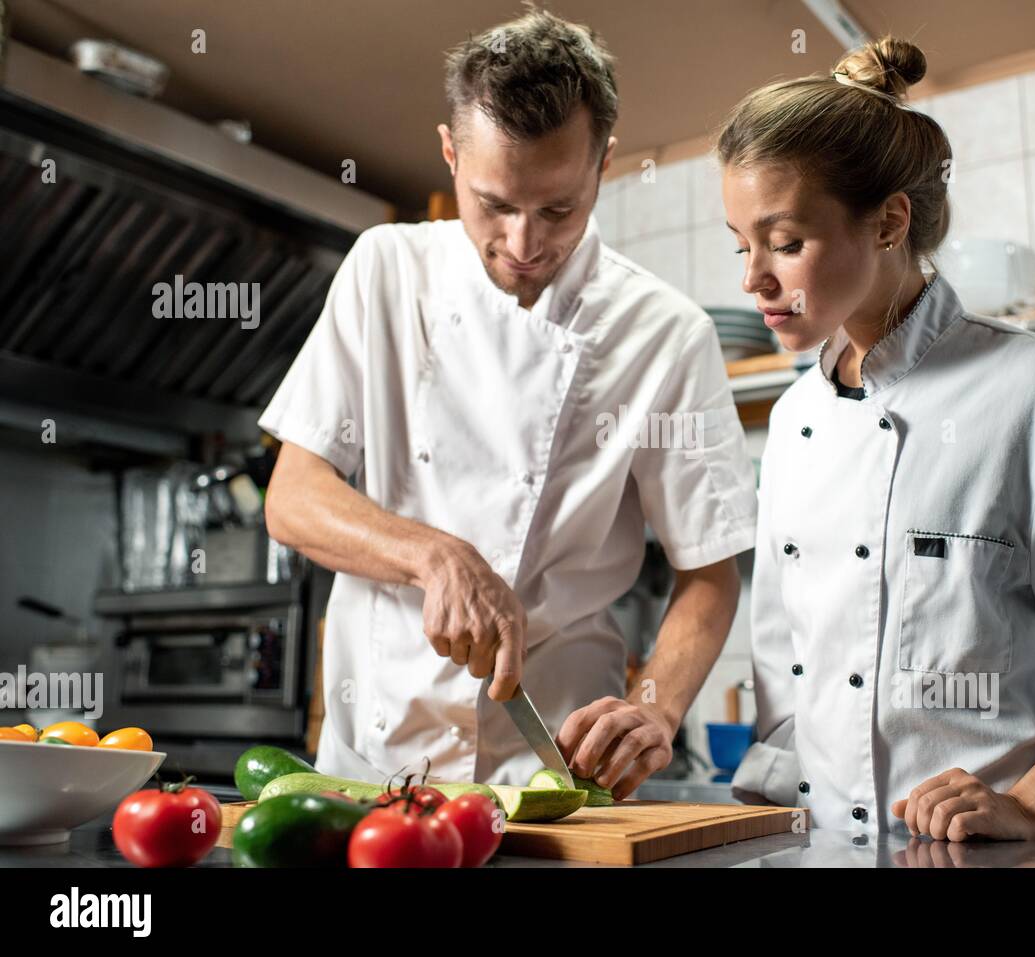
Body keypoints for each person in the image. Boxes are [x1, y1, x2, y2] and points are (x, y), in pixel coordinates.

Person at [259, 7, 756, 798]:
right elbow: (292, 497)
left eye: (558, 208)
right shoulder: (385, 271)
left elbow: (710, 572)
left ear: (604, 165)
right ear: (450, 153)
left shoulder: (666, 333)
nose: (524, 243)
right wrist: (432, 555)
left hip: (554, 765)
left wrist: (655, 709)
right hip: (374, 761)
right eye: (493, 204)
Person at [721, 36, 1035, 843]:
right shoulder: (794, 424)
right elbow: (789, 681)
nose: (752, 280)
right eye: (743, 244)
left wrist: (1033, 801)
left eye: (785, 242)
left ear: (888, 223)